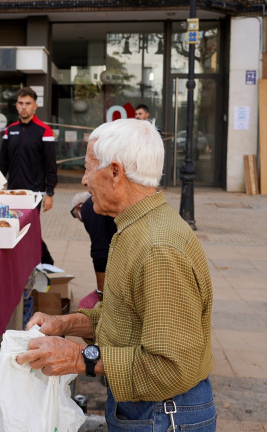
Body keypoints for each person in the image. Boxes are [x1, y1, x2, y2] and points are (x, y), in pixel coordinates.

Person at [17, 118, 216, 431]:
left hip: (163, 414)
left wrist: (77, 357)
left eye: (88, 168)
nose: (84, 180)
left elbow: (168, 367)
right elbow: (122, 319)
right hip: (146, 409)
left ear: (114, 172)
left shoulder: (158, 249)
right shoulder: (133, 228)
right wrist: (64, 324)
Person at [0, 87, 57, 264]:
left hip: (34, 194)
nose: (24, 107)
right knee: (14, 229)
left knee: (30, 231)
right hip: (12, 193)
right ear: (16, 106)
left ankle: (46, 263)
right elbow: (3, 163)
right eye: (21, 103)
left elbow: (50, 165)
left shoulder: (44, 131)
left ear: (35, 106)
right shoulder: (10, 130)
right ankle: (24, 264)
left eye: (28, 103)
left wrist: (50, 193)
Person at [70, 192, 117, 308]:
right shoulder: (100, 202)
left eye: (74, 215)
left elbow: (99, 252)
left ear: (78, 208)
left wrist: (101, 293)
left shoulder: (88, 208)